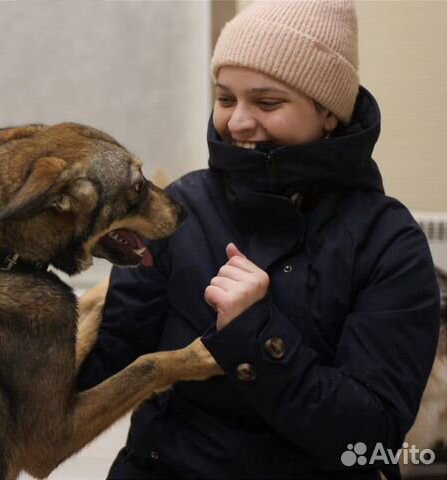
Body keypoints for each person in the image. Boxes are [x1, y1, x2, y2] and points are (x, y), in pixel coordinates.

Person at [76, 1, 441, 478]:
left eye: (267, 103)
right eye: (226, 99)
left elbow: (367, 438)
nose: (239, 122)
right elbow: (99, 372)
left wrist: (257, 332)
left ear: (328, 112)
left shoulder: (388, 243)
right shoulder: (181, 210)